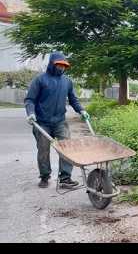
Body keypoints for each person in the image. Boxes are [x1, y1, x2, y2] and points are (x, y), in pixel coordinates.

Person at [25, 52, 90, 188]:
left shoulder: (67, 81)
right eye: (58, 65)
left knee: (67, 148)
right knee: (43, 150)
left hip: (60, 121)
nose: (61, 68)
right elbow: (30, 99)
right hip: (42, 122)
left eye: (63, 65)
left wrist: (81, 110)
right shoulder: (40, 80)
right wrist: (30, 113)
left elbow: (73, 99)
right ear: (52, 64)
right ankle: (44, 177)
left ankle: (65, 178)